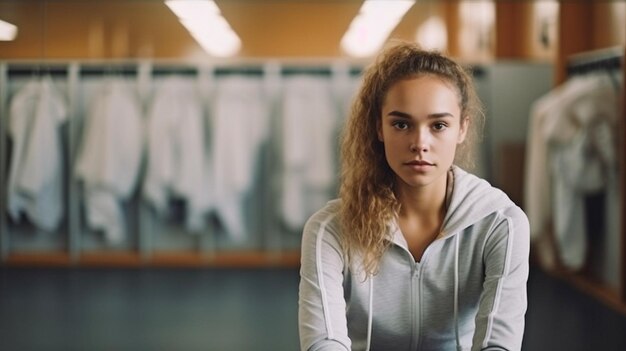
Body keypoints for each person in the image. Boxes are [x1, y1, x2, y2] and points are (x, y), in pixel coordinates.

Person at [298, 41, 529, 351]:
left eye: (439, 125)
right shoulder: (329, 230)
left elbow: (499, 344)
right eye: (402, 124)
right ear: (379, 127)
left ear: (462, 129)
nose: (420, 143)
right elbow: (324, 342)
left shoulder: (501, 223)